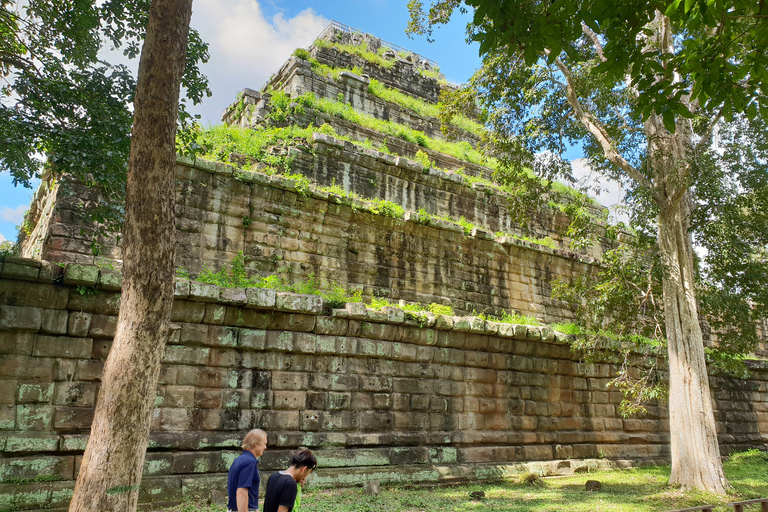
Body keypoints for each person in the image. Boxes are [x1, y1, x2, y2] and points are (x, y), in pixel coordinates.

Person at [227, 429, 267, 512]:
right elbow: (241, 492)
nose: (265, 447)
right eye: (264, 444)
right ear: (255, 444)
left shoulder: (238, 460)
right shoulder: (249, 462)